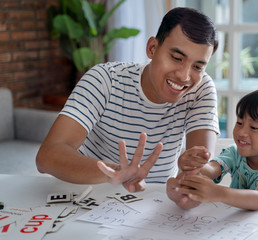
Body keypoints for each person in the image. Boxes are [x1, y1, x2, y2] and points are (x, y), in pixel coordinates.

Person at [36, 7, 219, 193]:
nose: (184, 76)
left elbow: (199, 169)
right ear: (152, 48)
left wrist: (190, 180)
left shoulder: (200, 89)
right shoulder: (105, 79)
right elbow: (48, 156)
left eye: (197, 66)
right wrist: (115, 173)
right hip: (89, 196)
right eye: (177, 58)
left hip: (155, 205)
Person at [167, 87, 258, 210]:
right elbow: (212, 170)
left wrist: (218, 193)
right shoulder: (235, 153)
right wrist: (194, 164)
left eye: (254, 127)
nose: (241, 132)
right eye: (239, 123)